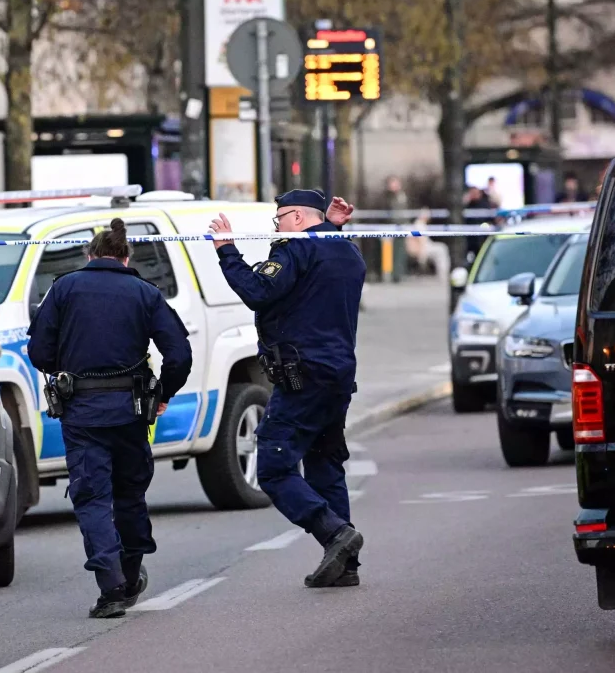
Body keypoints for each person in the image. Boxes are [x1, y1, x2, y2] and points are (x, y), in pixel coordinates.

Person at [26, 218, 193, 618]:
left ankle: (112, 586)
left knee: (93, 498)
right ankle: (131, 572)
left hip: (82, 414)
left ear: (89, 256)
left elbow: (39, 352)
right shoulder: (144, 291)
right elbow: (180, 355)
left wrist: (67, 368)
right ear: (126, 256)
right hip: (132, 412)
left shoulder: (63, 288)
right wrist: (163, 394)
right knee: (130, 494)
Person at [208, 190, 366, 588]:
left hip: (303, 376)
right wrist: (330, 226)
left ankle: (334, 534)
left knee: (275, 468)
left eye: (279, 220)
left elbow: (258, 291)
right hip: (337, 375)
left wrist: (227, 250)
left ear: (296, 218)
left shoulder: (295, 250)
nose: (276, 228)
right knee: (325, 466)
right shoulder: (346, 250)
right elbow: (319, 266)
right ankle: (345, 565)